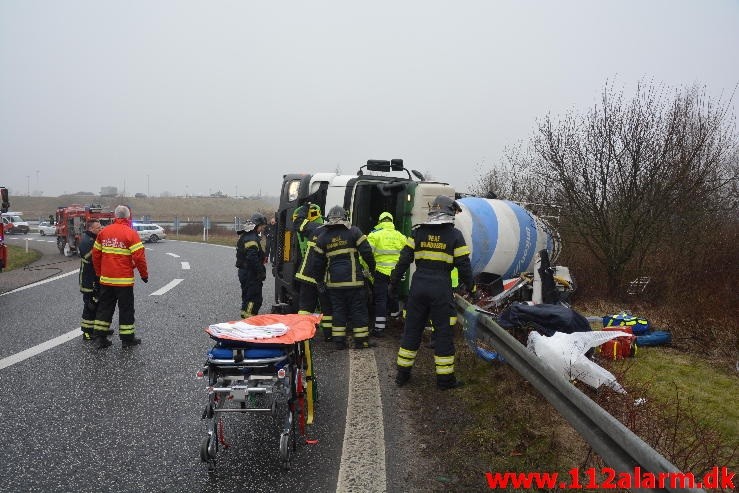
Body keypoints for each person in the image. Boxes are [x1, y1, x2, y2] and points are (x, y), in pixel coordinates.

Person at [389, 196, 478, 389]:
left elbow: (403, 261)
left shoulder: (417, 233)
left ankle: (402, 375)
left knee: (411, 331)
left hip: (418, 287)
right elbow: (464, 266)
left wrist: (393, 283)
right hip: (441, 289)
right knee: (443, 333)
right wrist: (472, 288)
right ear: (449, 212)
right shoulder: (455, 235)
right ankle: (445, 380)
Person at [312, 205, 375, 350]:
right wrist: (372, 268)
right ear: (344, 217)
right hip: (354, 282)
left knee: (338, 311)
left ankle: (339, 342)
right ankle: (361, 341)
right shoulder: (354, 231)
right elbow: (367, 252)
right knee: (358, 311)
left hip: (334, 284)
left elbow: (317, 263)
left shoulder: (323, 237)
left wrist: (319, 281)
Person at [91, 205, 149, 349]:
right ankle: (127, 339)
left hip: (106, 280)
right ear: (128, 217)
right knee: (126, 309)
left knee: (104, 308)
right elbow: (139, 258)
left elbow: (96, 255)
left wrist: (99, 274)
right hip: (124, 281)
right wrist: (144, 274)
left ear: (115, 216)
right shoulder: (131, 233)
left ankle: (99, 338)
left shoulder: (103, 232)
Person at [293, 203, 333, 341]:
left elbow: (297, 222)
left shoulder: (314, 228)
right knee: (327, 308)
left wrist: (304, 208)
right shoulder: (335, 232)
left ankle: (302, 335)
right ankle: (328, 335)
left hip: (307, 275)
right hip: (324, 277)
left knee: (305, 307)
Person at [367, 211, 407, 338]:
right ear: (391, 221)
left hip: (380, 271)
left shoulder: (374, 235)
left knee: (381, 298)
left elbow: (367, 254)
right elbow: (406, 255)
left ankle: (379, 327)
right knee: (393, 294)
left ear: (380, 222)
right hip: (396, 273)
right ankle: (395, 320)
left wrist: (368, 268)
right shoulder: (401, 236)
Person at [236, 212, 268, 318]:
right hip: (251, 272)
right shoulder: (251, 238)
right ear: (258, 225)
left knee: (247, 296)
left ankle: (246, 316)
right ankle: (249, 318)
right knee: (254, 298)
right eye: (262, 226)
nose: (263, 229)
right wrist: (260, 271)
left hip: (245, 271)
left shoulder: (248, 235)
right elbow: (252, 257)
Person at [78, 220, 102, 341]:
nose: (100, 229)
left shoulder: (94, 239)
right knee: (90, 305)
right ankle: (87, 332)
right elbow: (90, 258)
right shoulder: (87, 240)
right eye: (98, 228)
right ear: (91, 229)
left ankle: (97, 329)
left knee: (98, 305)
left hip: (95, 278)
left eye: (101, 227)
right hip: (88, 280)